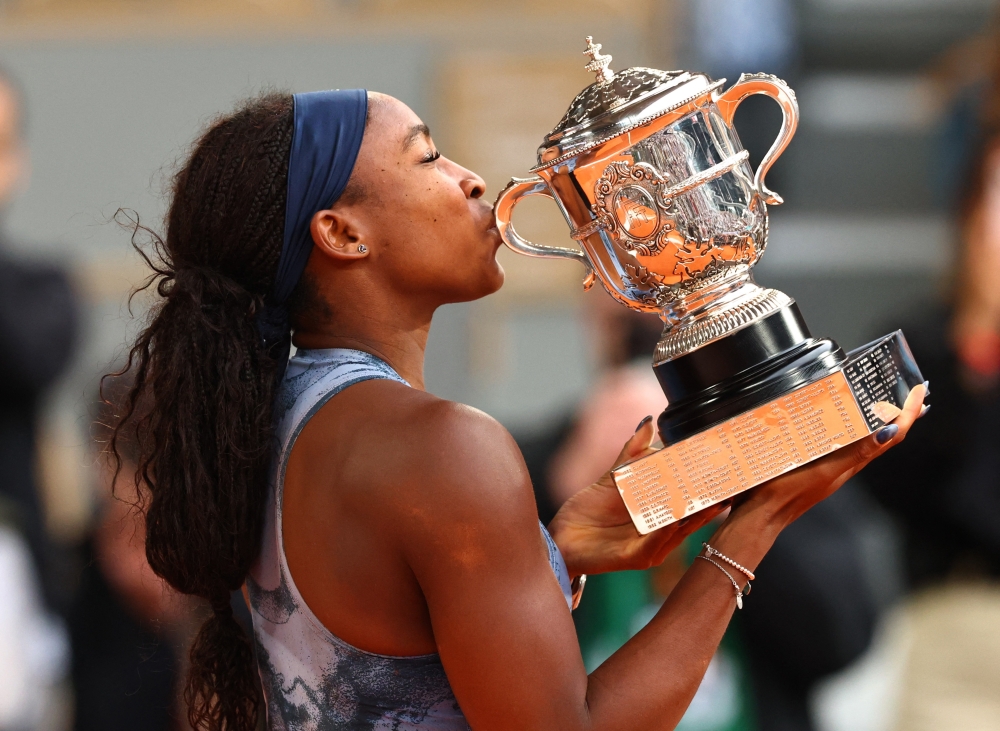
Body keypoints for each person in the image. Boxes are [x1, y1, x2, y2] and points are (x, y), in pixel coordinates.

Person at [107, 89, 924, 731]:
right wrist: (756, 522)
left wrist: (555, 553)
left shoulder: (278, 421)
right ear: (341, 233)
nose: (470, 177)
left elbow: (400, 638)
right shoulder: (442, 447)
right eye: (427, 157)